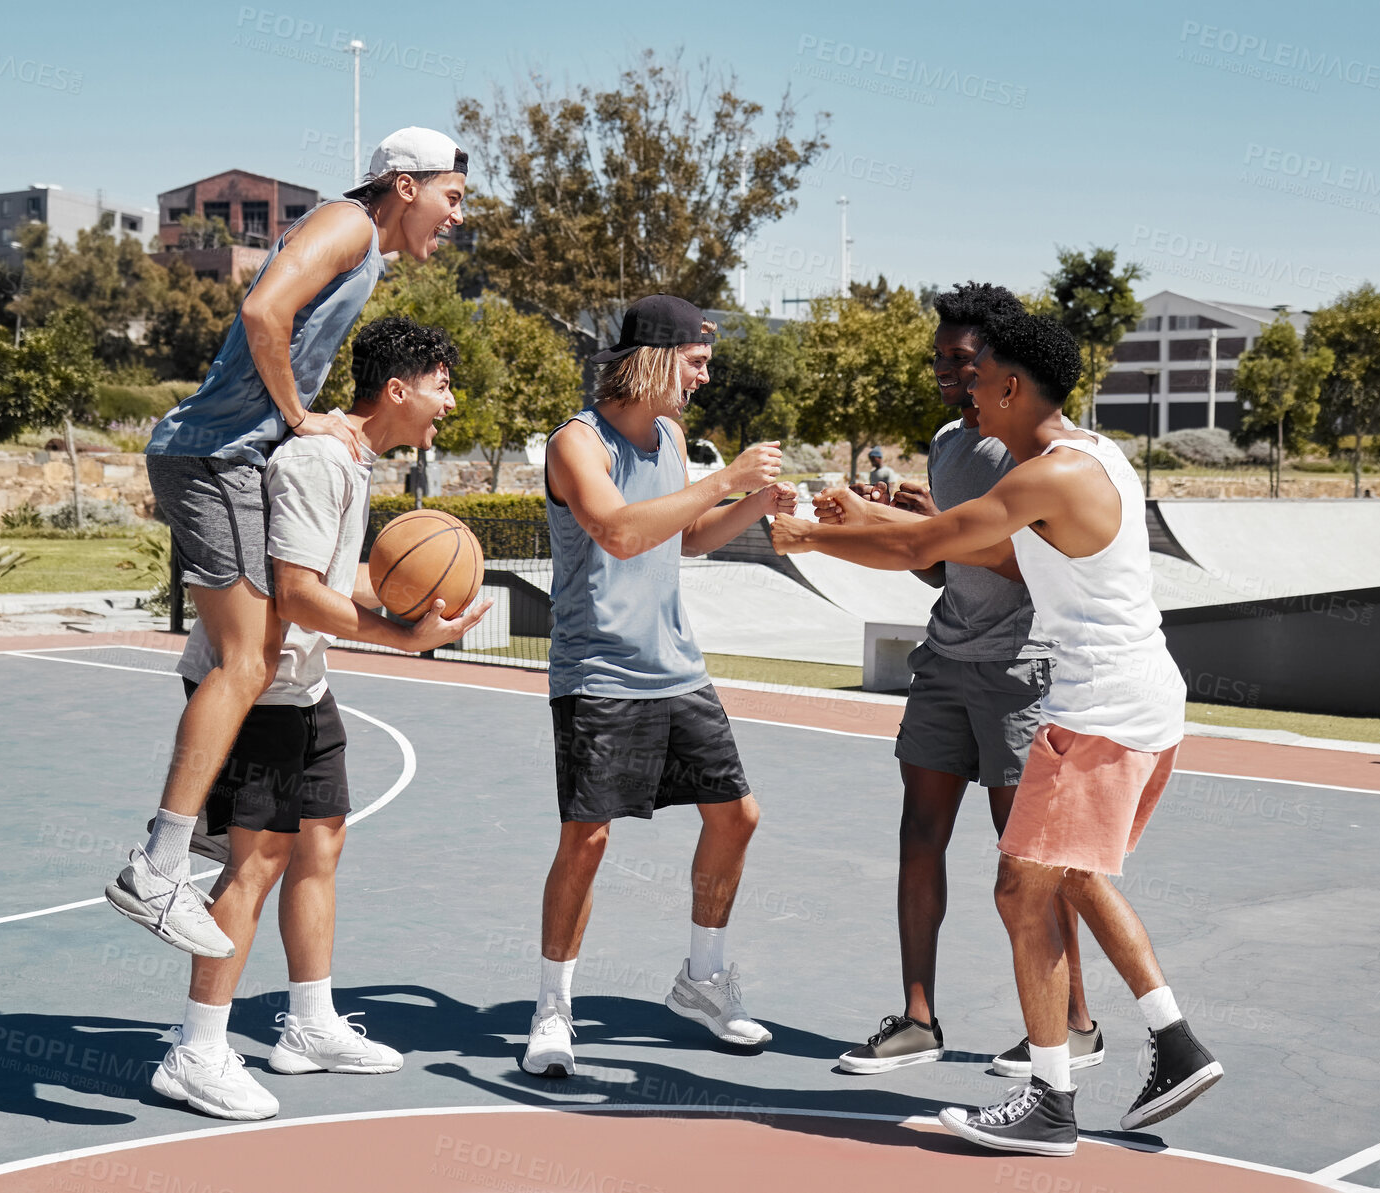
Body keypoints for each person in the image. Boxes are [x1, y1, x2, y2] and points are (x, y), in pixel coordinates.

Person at [772, 310, 1221, 1156]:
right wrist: (878, 515)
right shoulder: (1093, 455)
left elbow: (934, 545)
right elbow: (952, 538)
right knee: (1073, 877)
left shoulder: (1048, 478)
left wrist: (811, 535)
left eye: (979, 379)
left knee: (1022, 890)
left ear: (1013, 387)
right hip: (1138, 703)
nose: (965, 388)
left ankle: (1052, 1096)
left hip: (1097, 714)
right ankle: (1174, 1040)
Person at [109, 129, 469, 959]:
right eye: (452, 197)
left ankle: (195, 832)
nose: (456, 217)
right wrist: (300, 419)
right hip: (210, 453)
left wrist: (303, 415)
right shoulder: (347, 226)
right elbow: (261, 311)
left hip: (222, 451)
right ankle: (160, 861)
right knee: (246, 660)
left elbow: (285, 335)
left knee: (257, 654)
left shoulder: (362, 251)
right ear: (405, 186)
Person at [151, 316, 489, 1120]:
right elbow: (298, 593)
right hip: (261, 692)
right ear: (398, 388)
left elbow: (335, 583)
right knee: (256, 862)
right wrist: (404, 636)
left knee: (320, 844)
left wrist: (410, 604)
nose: (451, 401)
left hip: (304, 686)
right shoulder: (313, 461)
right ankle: (196, 1048)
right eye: (442, 383)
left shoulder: (352, 462)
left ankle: (308, 1023)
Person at [523, 294, 797, 1079]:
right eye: (698, 360)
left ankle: (702, 980)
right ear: (654, 358)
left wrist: (751, 502)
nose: (706, 375)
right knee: (588, 838)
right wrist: (726, 480)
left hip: (677, 666)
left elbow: (687, 537)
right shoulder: (577, 443)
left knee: (737, 816)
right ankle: (552, 1007)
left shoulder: (673, 437)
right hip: (600, 670)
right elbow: (617, 528)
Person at [833, 284, 1101, 1081]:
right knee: (920, 835)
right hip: (947, 658)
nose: (946, 370)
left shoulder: (1034, 452)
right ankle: (919, 1019)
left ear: (1001, 367)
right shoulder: (953, 440)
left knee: (1032, 861)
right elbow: (947, 562)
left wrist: (886, 529)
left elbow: (1024, 560)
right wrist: (906, 519)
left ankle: (1076, 1024)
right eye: (940, 357)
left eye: (962, 359)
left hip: (1022, 669)